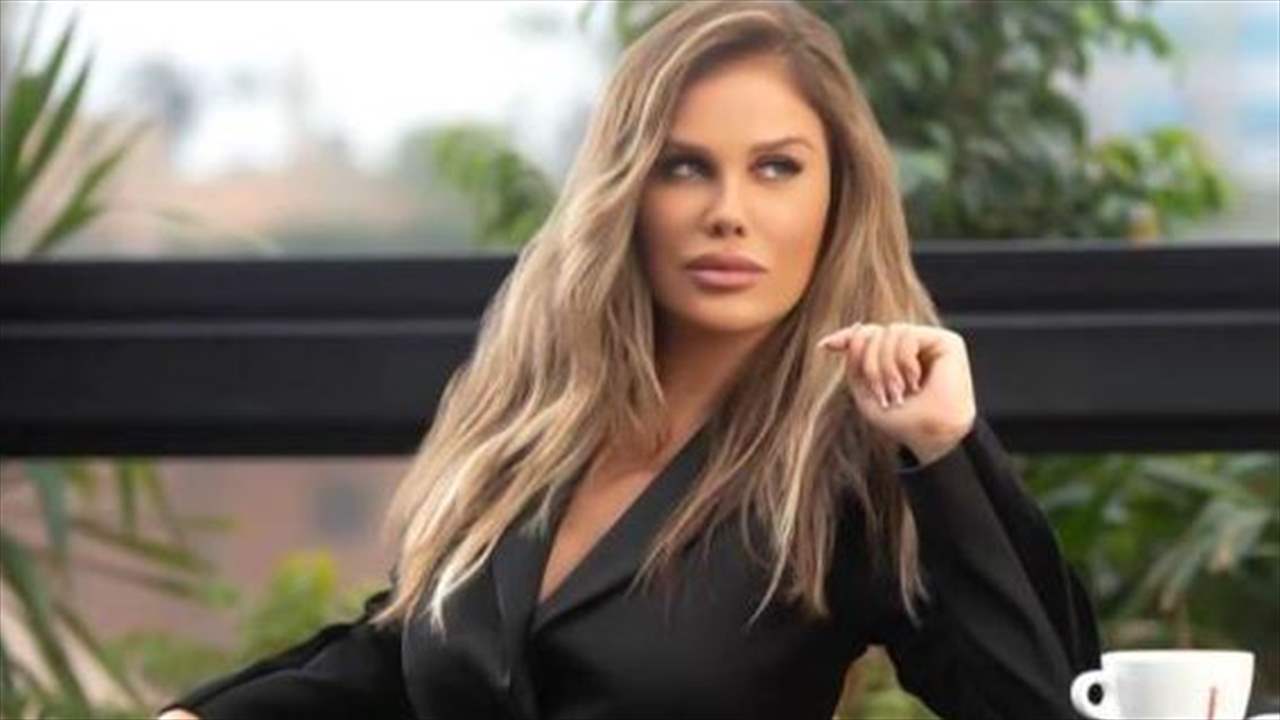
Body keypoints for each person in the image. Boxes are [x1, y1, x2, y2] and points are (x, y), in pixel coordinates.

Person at [158, 1, 1102, 718]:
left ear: (837, 198)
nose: (727, 211)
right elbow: (402, 648)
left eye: (776, 168)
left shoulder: (848, 466)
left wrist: (944, 448)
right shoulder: (532, 424)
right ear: (626, 191)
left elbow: (1046, 702)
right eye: (683, 166)